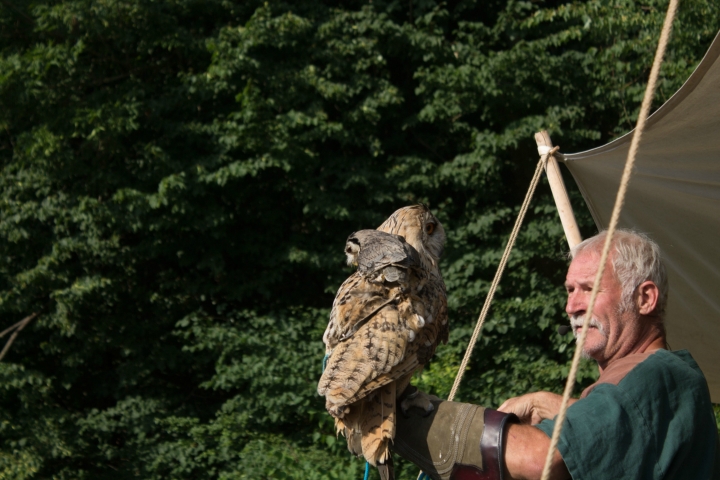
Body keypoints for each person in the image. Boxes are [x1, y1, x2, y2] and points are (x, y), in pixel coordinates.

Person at [393, 230, 719, 480]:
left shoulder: (656, 373)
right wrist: (543, 401)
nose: (572, 306)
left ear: (645, 298)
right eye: (570, 290)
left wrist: (401, 411)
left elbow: (541, 459)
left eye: (589, 289)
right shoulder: (664, 383)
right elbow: (625, 432)